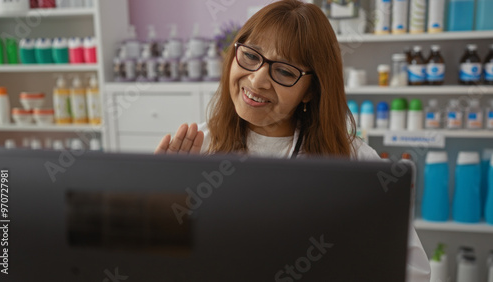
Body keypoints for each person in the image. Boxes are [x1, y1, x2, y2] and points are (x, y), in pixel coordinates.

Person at [155, 0, 431, 280]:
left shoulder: (356, 162)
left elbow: (413, 271)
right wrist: (163, 203)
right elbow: (156, 260)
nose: (257, 80)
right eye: (251, 56)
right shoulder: (195, 149)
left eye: (285, 71)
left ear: (311, 90)